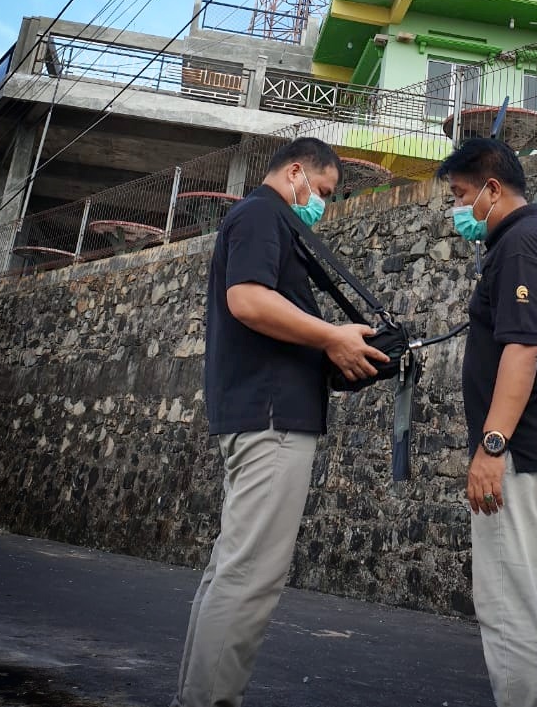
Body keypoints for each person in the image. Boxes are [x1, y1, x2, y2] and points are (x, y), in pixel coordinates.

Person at [172, 136, 389, 707]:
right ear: (295, 172)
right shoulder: (262, 214)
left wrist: (332, 348)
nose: (321, 202)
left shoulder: (263, 220)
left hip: (260, 412)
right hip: (271, 419)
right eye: (321, 190)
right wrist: (332, 336)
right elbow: (248, 300)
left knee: (231, 572)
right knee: (250, 579)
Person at [437, 137, 537, 707]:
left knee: (512, 617)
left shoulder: (521, 246)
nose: (457, 208)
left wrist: (491, 446)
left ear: (492, 189)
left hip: (525, 463)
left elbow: (523, 351)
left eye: (459, 195)